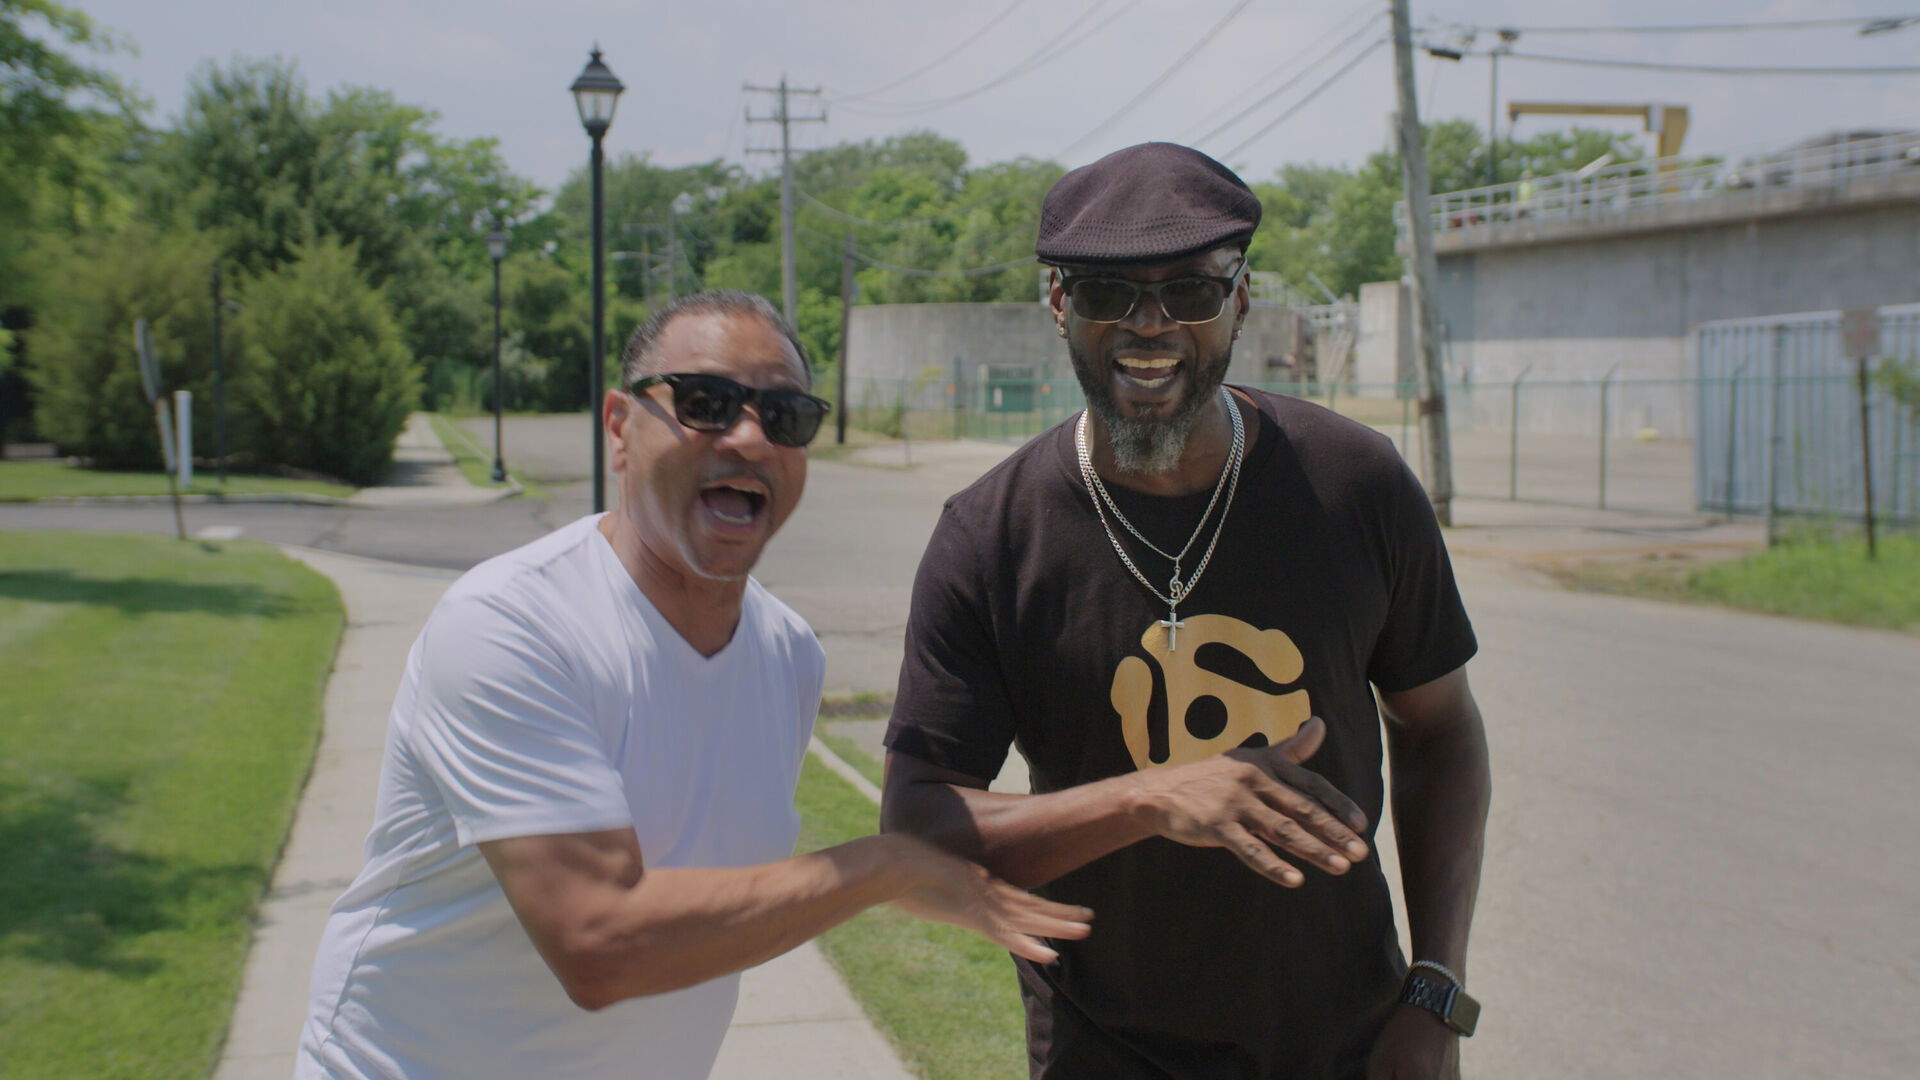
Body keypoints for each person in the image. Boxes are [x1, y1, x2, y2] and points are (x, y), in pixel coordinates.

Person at [296, 291, 1092, 1080]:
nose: (748, 437)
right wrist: (883, 867)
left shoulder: (786, 656)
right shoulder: (513, 625)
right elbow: (600, 946)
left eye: (784, 416)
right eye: (704, 404)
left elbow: (719, 903)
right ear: (619, 427)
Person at [881, 144, 1491, 1080]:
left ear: (1241, 299)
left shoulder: (1355, 484)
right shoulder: (989, 539)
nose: (1150, 324)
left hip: (1349, 1045)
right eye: (1107, 292)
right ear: (1059, 304)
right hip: (1103, 1048)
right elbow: (916, 828)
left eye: (1192, 291)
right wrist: (1151, 798)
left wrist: (1436, 990)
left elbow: (1440, 730)